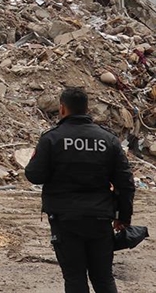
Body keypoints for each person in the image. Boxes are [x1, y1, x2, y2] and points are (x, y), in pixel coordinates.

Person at [25, 87, 135, 293]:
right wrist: (123, 216)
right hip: (100, 218)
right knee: (103, 277)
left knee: (75, 278)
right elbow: (126, 183)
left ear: (62, 109)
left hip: (65, 219)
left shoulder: (52, 139)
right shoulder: (108, 140)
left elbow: (34, 175)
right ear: (86, 109)